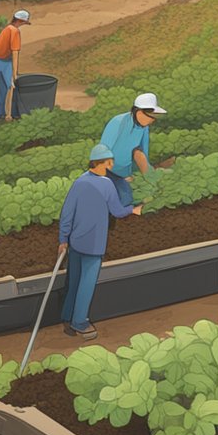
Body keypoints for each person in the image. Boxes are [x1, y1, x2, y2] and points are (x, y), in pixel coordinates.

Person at [58, 144, 143, 340]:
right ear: (100, 163)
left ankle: (67, 317)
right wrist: (134, 209)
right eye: (109, 161)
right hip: (93, 244)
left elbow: (67, 213)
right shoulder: (106, 184)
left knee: (73, 282)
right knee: (86, 284)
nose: (112, 164)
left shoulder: (79, 182)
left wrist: (63, 239)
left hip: (76, 241)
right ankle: (80, 323)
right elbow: (117, 211)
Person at [98, 93, 166, 207]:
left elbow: (143, 152)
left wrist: (139, 175)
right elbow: (103, 149)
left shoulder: (144, 128)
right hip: (109, 171)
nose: (152, 120)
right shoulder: (118, 122)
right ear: (139, 112)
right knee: (122, 199)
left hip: (126, 172)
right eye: (151, 116)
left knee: (131, 197)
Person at [0, 9, 30, 122]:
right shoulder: (15, 31)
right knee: (14, 85)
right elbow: (15, 53)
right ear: (20, 21)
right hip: (4, 62)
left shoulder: (7, 28)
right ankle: (15, 115)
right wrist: (15, 74)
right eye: (24, 23)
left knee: (0, 88)